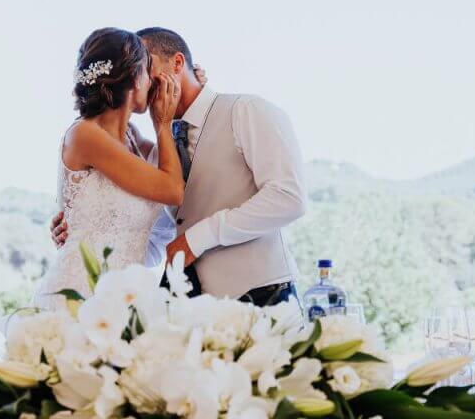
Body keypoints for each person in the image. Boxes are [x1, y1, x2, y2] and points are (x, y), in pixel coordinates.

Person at [51, 27, 307, 307]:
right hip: (179, 310)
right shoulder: (156, 151)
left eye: (147, 66)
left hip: (262, 295)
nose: (144, 78)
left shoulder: (245, 110)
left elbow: (289, 198)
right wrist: (82, 235)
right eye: (140, 69)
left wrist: (198, 238)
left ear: (177, 63)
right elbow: (154, 232)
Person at [32, 27, 185, 309]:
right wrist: (162, 123)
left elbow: (177, 165)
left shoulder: (133, 139)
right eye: (148, 71)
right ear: (134, 77)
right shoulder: (85, 135)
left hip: (128, 296)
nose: (153, 82)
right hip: (82, 293)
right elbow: (173, 190)